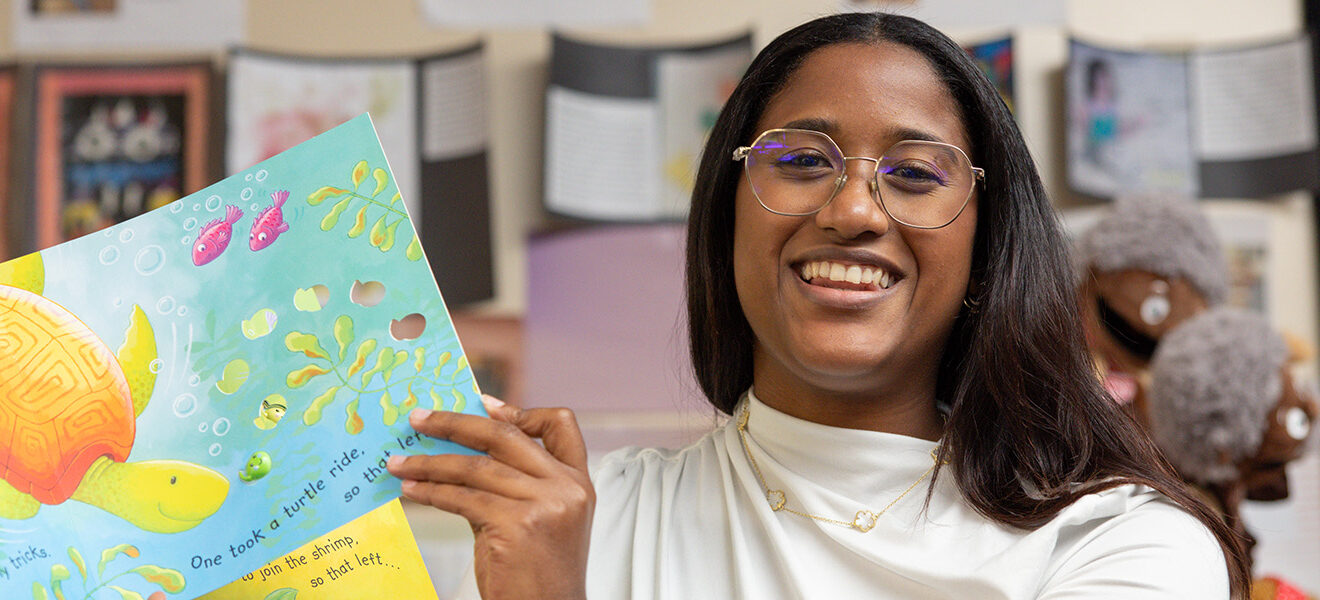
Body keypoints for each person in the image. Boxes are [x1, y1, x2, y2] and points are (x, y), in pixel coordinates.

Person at [386, 13, 1247, 600]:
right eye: (801, 161)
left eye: (915, 173)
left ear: (987, 243)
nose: (854, 210)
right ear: (727, 215)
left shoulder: (1120, 544)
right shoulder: (581, 520)